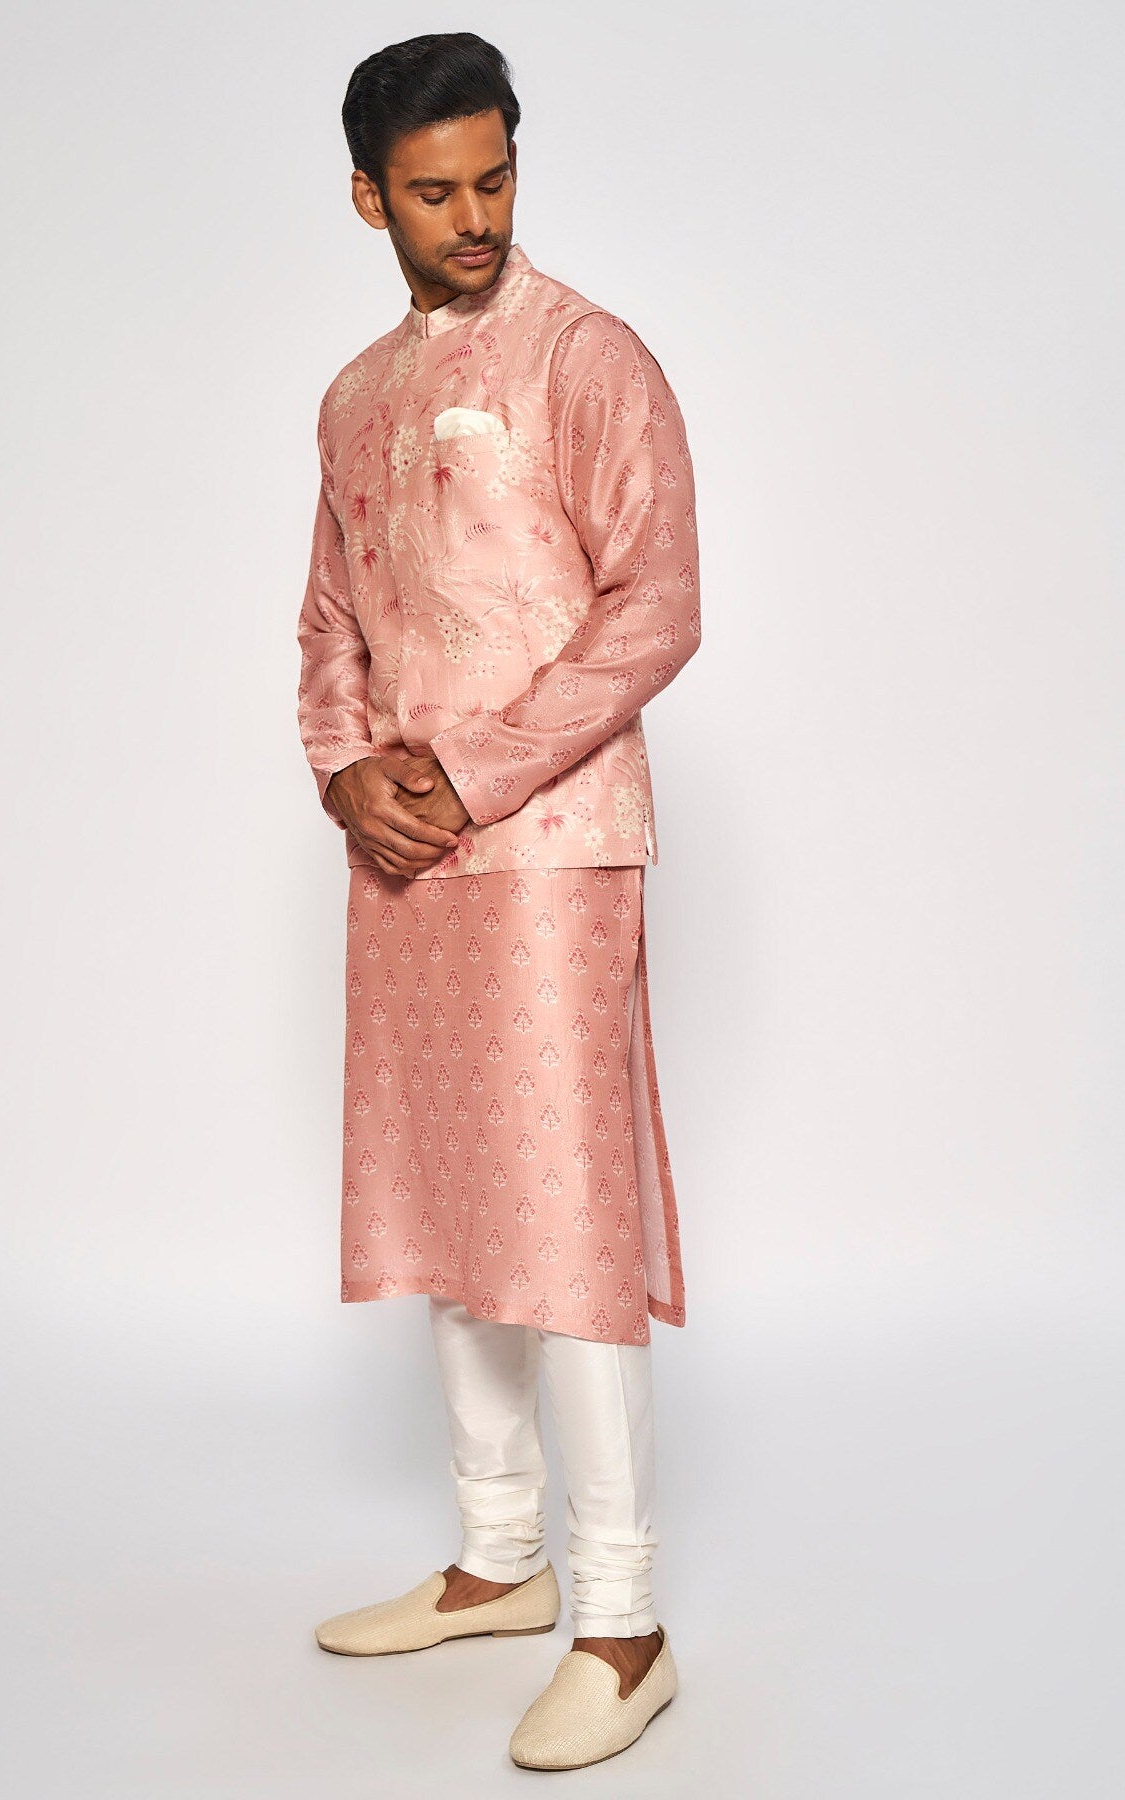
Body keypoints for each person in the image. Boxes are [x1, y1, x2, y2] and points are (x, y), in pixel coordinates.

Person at [296, 32, 701, 1772]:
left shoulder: (586, 357)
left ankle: (624, 1621)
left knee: (566, 1225)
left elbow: (656, 605)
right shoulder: (351, 396)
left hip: (547, 850)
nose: (475, 218)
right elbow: (329, 622)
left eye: (496, 178)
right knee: (455, 1208)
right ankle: (497, 1560)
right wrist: (345, 774)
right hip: (405, 859)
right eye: (435, 191)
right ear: (368, 198)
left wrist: (465, 774)